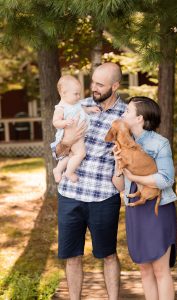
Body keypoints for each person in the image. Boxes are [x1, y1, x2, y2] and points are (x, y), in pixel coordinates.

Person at [56, 63, 126, 300]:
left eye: (100, 84)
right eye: (92, 82)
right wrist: (69, 140)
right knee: (72, 255)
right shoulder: (77, 105)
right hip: (70, 194)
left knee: (108, 254)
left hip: (104, 196)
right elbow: (57, 151)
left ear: (115, 86)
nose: (93, 88)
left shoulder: (126, 115)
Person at [112, 96, 177, 300]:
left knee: (160, 270)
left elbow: (166, 179)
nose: (123, 114)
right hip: (135, 210)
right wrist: (117, 165)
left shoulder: (160, 143)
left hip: (158, 210)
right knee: (145, 270)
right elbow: (120, 186)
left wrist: (134, 176)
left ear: (139, 118)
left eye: (127, 112)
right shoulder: (122, 143)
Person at [51, 75, 100, 183]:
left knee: (71, 155)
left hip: (79, 134)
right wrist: (64, 122)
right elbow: (55, 122)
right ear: (63, 93)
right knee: (80, 154)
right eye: (76, 94)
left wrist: (90, 109)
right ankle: (69, 172)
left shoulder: (76, 104)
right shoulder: (61, 108)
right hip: (72, 135)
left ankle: (58, 170)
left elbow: (82, 110)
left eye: (79, 93)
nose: (79, 96)